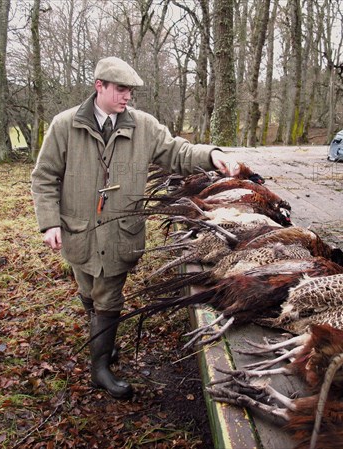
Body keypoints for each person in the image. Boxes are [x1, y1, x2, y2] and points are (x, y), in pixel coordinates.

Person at [31, 56, 240, 399]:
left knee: (109, 294)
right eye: (121, 89)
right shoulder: (64, 125)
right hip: (78, 231)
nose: (127, 96)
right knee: (87, 287)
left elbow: (178, 151)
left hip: (119, 233)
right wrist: (49, 222)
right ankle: (104, 341)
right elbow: (44, 177)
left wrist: (212, 155)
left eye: (130, 90)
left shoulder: (143, 126)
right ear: (99, 86)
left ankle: (100, 369)